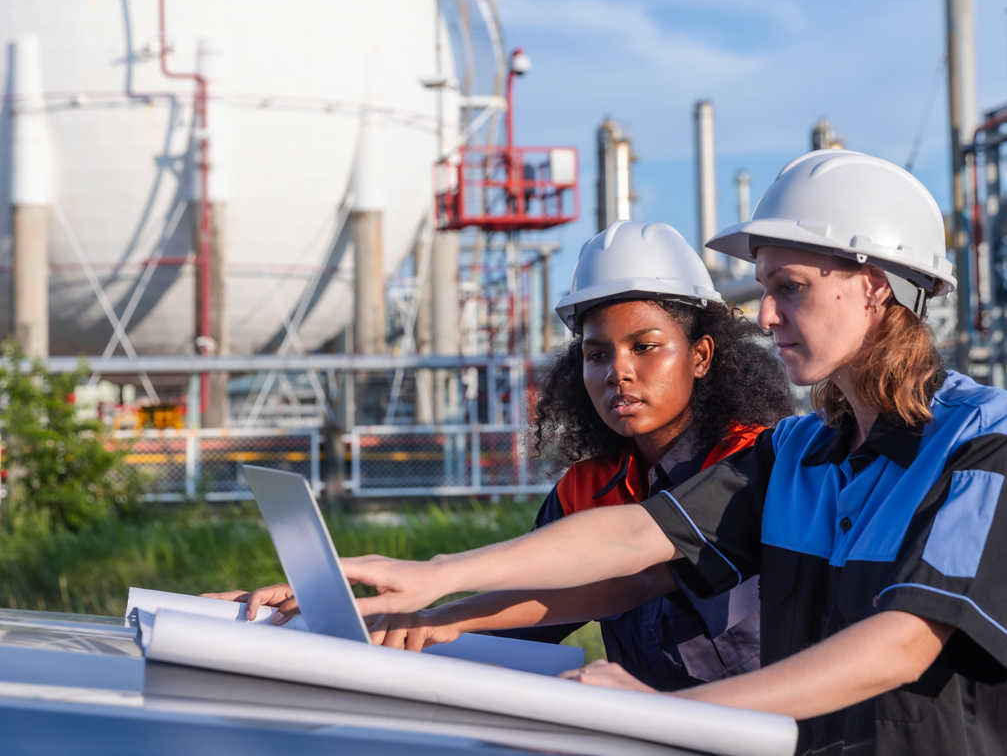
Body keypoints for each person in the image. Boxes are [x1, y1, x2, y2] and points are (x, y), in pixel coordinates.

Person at [239, 151, 1007, 755]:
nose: (764, 314)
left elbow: (904, 642)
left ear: (873, 288)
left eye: (789, 287)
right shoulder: (798, 451)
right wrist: (434, 578)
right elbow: (639, 537)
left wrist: (668, 716)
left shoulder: (981, 444)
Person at [367, 221, 793, 691]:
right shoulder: (587, 488)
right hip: (639, 732)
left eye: (645, 347)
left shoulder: (752, 462)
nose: (619, 372)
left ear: (701, 355)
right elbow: (539, 610)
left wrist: (442, 585)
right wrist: (388, 623)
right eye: (597, 354)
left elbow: (636, 566)